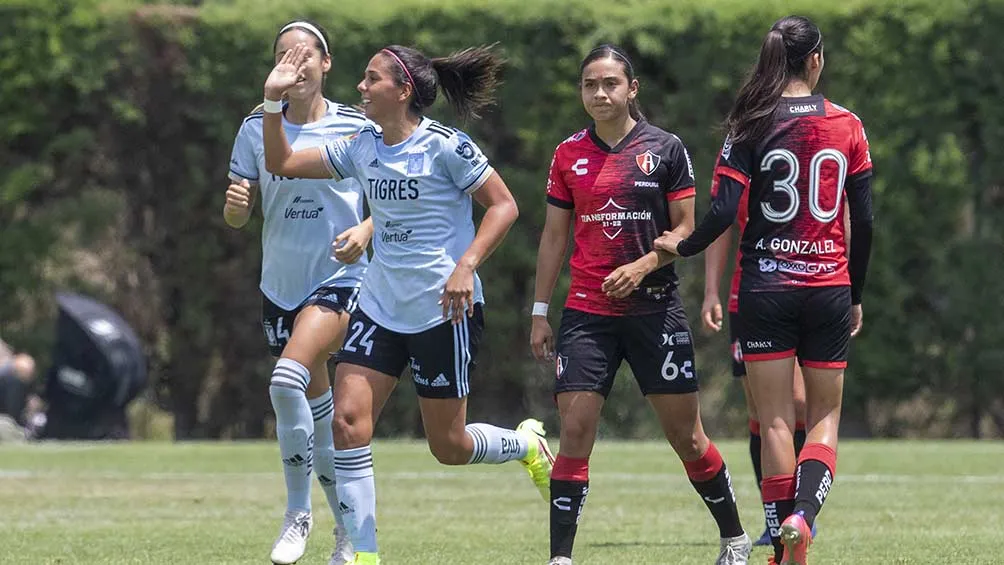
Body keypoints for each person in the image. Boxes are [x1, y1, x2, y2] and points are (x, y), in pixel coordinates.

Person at [260, 42, 555, 565]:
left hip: (444, 311)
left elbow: (504, 206)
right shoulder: (361, 146)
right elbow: (281, 161)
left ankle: (526, 446)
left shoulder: (446, 146)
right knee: (348, 422)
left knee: (449, 447)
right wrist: (271, 103)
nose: (360, 87)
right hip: (377, 305)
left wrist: (466, 266)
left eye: (371, 79)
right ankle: (364, 555)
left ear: (403, 91)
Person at [656, 16, 874, 565]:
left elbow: (725, 212)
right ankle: (804, 515)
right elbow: (863, 222)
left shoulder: (748, 124)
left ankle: (782, 543)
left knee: (773, 420)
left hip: (764, 290)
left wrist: (679, 248)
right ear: (816, 60)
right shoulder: (848, 124)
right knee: (822, 418)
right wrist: (855, 293)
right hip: (827, 285)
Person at [530, 44, 752, 565]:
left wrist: (644, 265)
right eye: (590, 84)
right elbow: (553, 237)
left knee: (688, 438)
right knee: (576, 432)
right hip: (587, 316)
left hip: (655, 311)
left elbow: (687, 229)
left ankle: (734, 538)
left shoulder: (666, 149)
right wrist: (540, 312)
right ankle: (560, 558)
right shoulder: (567, 154)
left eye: (610, 83)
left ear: (632, 89)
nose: (600, 93)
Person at [225, 20, 372, 565]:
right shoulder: (253, 129)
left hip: (338, 279)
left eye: (306, 54)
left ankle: (296, 513)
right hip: (279, 285)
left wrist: (367, 229)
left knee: (286, 379)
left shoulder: (357, 128)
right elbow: (238, 214)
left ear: (326, 64)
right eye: (284, 55)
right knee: (319, 411)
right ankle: (348, 532)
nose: (295, 63)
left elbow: (395, 199)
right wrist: (236, 210)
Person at [701, 189, 814, 547]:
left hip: (804, 288)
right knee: (759, 410)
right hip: (750, 294)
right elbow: (721, 223)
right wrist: (710, 291)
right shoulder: (740, 150)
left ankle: (803, 510)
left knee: (797, 402)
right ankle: (776, 516)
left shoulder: (804, 143)